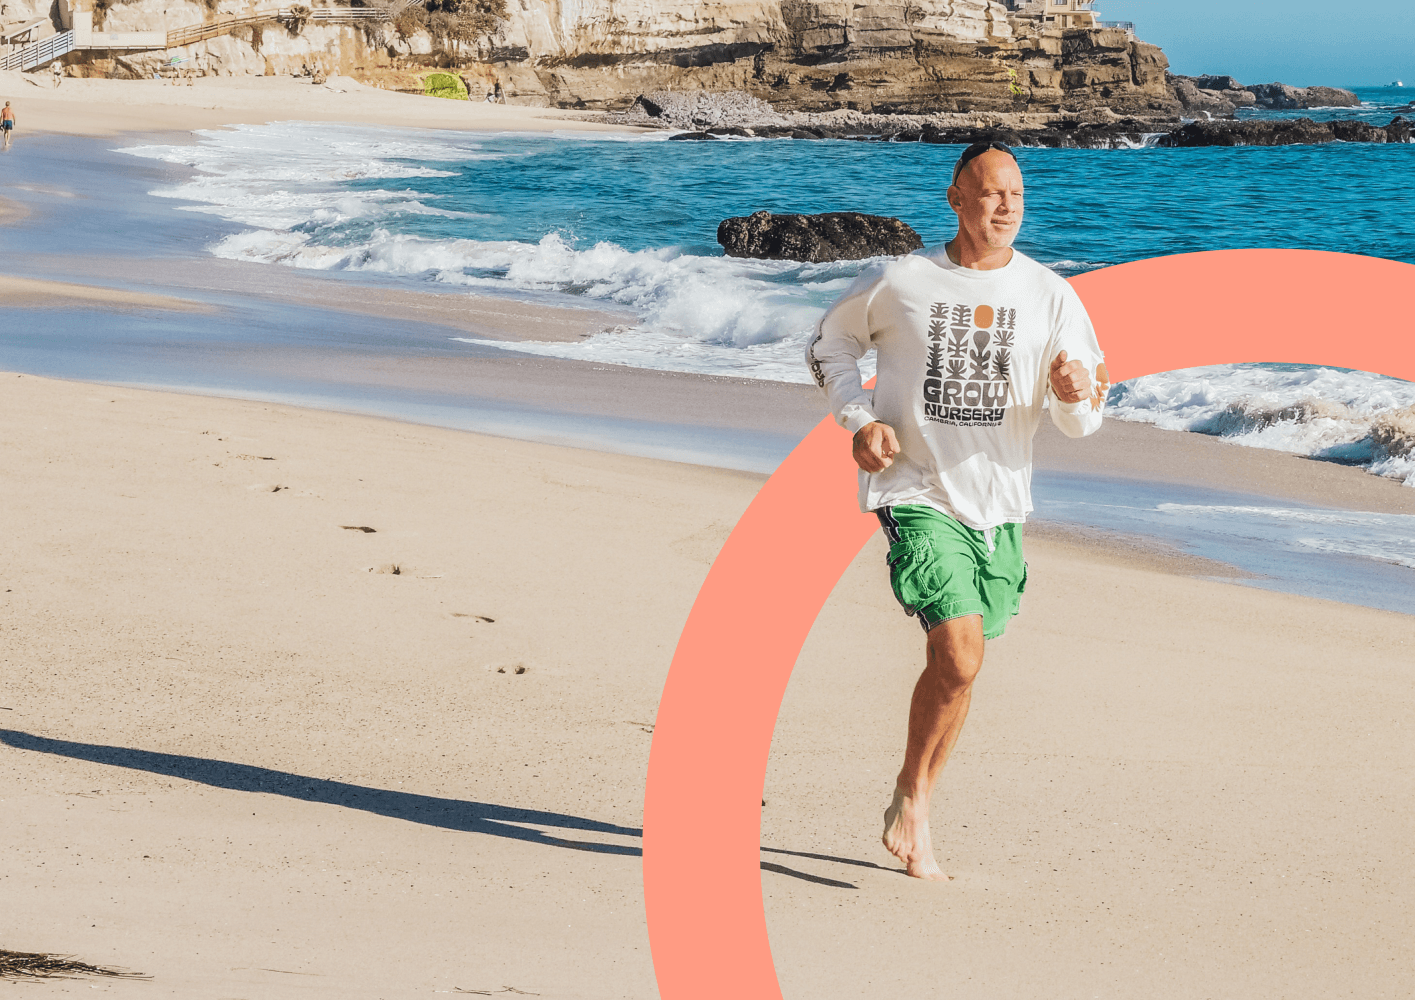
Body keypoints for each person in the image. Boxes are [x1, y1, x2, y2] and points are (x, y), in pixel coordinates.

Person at [806, 141, 1109, 880]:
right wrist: (858, 420)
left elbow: (1084, 418)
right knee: (960, 652)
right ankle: (914, 805)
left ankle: (915, 793)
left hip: (1000, 502)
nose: (1005, 206)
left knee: (960, 671)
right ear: (955, 197)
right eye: (989, 192)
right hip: (915, 489)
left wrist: (1076, 394)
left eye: (1015, 194)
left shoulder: (1051, 296)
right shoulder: (900, 279)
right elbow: (828, 345)